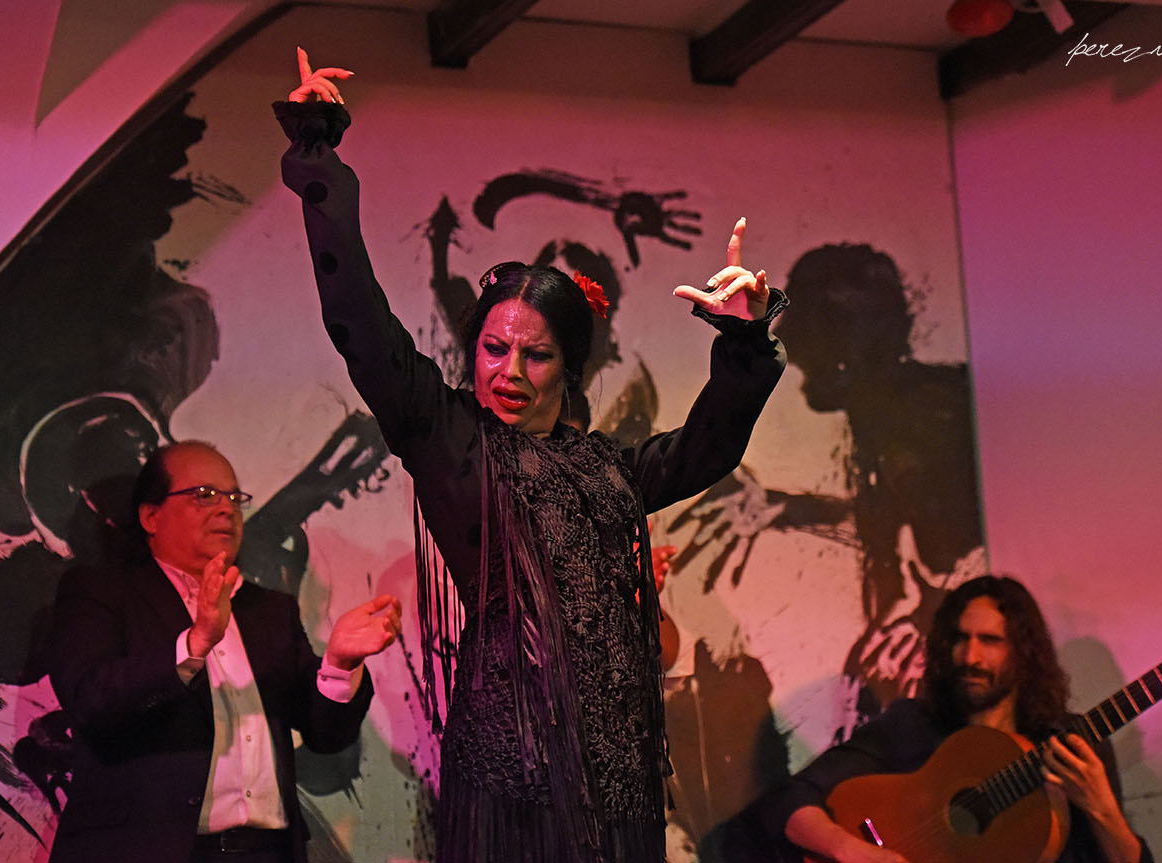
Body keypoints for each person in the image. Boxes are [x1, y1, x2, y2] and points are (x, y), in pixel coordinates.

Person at [274, 49, 787, 863]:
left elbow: (707, 448)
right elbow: (359, 324)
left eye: (535, 354)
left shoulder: (606, 467)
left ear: (567, 367)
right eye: (492, 348)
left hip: (617, 773)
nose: (509, 371)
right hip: (512, 771)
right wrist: (318, 155)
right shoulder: (450, 440)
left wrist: (745, 342)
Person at [47, 441, 401, 863]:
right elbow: (91, 700)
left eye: (234, 498)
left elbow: (327, 737)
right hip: (150, 849)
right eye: (204, 495)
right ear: (151, 516)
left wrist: (341, 665)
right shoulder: (101, 591)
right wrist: (194, 644)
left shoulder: (268, 609)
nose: (227, 510)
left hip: (266, 852)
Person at [753, 575, 1153, 863]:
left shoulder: (1073, 747)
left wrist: (1101, 809)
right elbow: (789, 799)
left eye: (990, 641)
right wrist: (852, 852)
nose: (970, 657)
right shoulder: (913, 727)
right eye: (961, 639)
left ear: (1024, 653)